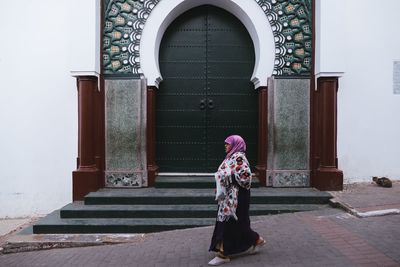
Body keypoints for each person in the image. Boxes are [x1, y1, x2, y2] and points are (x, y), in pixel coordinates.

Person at [208, 135, 266, 266]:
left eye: (228, 143)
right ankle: (257, 240)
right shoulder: (230, 157)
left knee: (230, 223)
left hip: (238, 197)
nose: (225, 145)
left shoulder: (239, 158)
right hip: (228, 197)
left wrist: (227, 176)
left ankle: (223, 254)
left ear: (235, 144)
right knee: (236, 223)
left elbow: (246, 177)